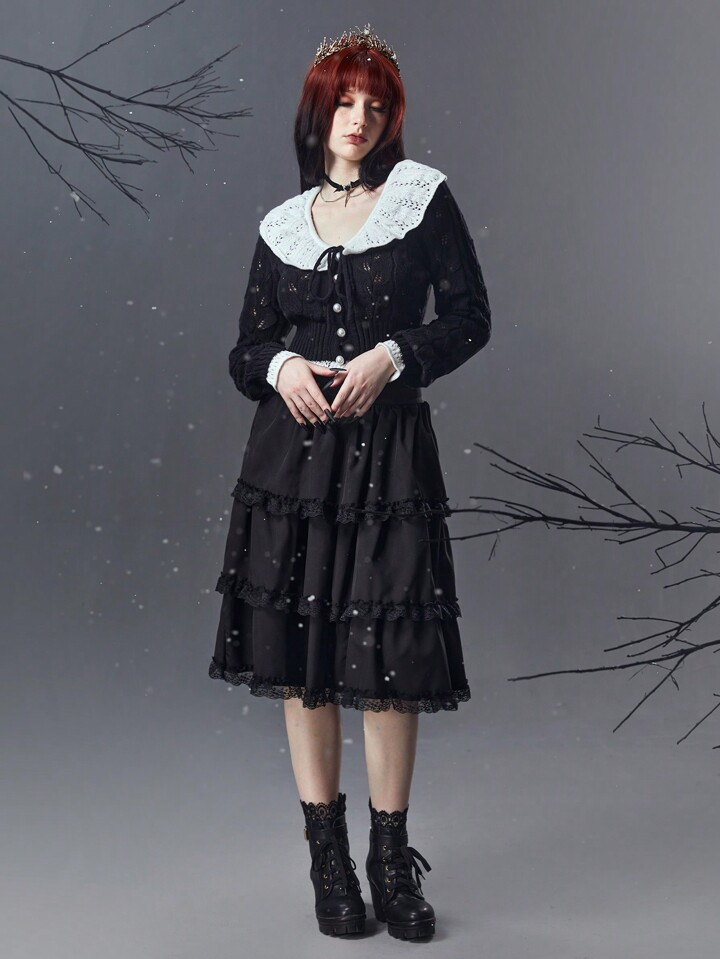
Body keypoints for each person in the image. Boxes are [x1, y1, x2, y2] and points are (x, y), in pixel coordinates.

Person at [208, 23, 492, 941]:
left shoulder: (421, 199)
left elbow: (471, 317)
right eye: (344, 101)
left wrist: (396, 354)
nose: (358, 118)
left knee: (390, 658)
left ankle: (389, 859)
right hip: (293, 463)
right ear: (318, 111)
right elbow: (246, 349)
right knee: (305, 658)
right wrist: (280, 365)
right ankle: (327, 861)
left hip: (389, 455)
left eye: (375, 104)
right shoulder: (281, 225)